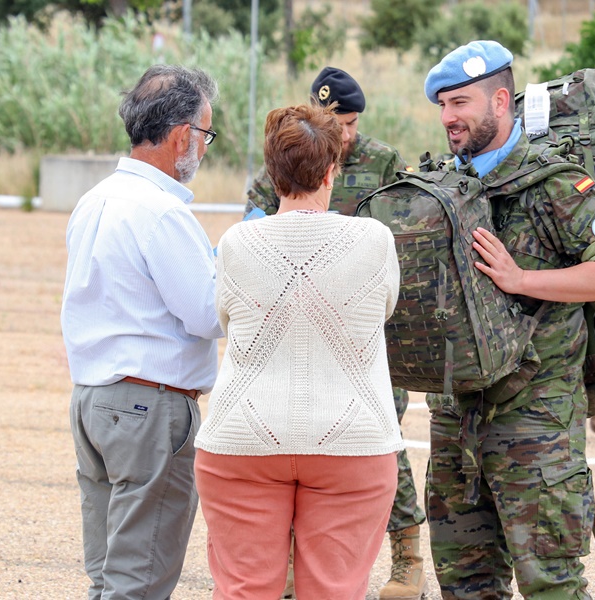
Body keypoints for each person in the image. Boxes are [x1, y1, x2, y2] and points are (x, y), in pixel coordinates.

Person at [422, 41, 595, 598]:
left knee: (553, 588)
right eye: (442, 105)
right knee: (466, 587)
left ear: (500, 100)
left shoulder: (555, 185)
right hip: (456, 427)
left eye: (460, 103)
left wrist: (522, 280)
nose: (449, 117)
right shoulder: (441, 190)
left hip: (536, 425)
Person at [195, 102, 403, 600]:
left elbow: (226, 318)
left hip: (242, 439)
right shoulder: (375, 239)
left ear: (272, 171)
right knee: (335, 592)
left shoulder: (238, 242)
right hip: (352, 441)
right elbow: (384, 309)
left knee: (244, 591)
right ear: (332, 170)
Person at [244, 67, 427, 600]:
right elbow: (258, 229)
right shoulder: (289, 160)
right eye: (335, 123)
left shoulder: (385, 162)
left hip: (362, 337)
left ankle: (408, 555)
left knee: (382, 442)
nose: (344, 135)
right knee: (299, 448)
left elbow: (408, 242)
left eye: (349, 124)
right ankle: (299, 571)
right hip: (299, 333)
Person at [60, 65, 224, 600]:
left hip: (94, 400)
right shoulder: (160, 214)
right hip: (148, 409)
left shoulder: (95, 200)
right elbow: (204, 313)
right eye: (205, 133)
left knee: (108, 575)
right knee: (140, 581)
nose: (203, 147)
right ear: (182, 136)